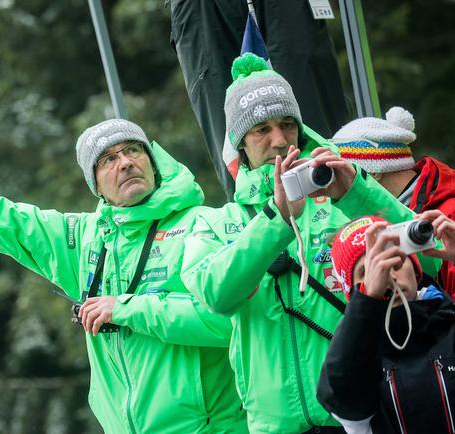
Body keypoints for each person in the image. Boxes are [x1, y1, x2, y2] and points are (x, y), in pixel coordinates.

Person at [0, 118, 247, 433]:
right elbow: (3, 221)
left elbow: (231, 325)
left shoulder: (205, 225)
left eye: (133, 150)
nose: (126, 163)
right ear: (94, 185)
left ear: (152, 161)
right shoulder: (84, 240)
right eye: (108, 159)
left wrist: (127, 308)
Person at [179, 53, 440, 433]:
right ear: (240, 145)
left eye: (287, 125)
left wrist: (357, 193)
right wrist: (279, 220)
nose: (280, 140)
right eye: (261, 130)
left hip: (359, 416)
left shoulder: (342, 203)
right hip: (275, 425)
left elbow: (428, 261)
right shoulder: (217, 222)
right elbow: (216, 293)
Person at [168, 0, 348, 199]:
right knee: (238, 152)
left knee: (322, 152)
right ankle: (268, 222)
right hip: (204, 8)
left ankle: (347, 224)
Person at [317, 214, 455, 433]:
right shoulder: (355, 360)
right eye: (369, 272)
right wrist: (369, 298)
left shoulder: (449, 321)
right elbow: (340, 393)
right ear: (355, 294)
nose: (388, 277)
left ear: (415, 269)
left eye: (395, 261)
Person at [334, 107, 455, 294]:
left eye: (345, 177)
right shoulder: (416, 206)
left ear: (372, 171)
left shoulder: (448, 211)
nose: (340, 186)